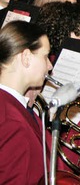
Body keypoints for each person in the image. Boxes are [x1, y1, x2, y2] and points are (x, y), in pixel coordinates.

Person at [0, 21, 52, 184]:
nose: (50, 66)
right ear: (26, 57)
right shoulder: (12, 122)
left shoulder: (12, 106)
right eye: (45, 56)